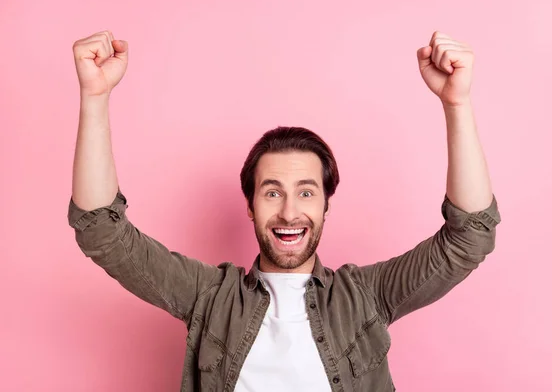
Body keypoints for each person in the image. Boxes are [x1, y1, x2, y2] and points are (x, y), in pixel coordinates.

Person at [69, 29, 501, 392]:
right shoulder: (208, 296)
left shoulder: (367, 297)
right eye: (272, 193)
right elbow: (101, 232)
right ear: (250, 205)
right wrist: (94, 95)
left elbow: (471, 236)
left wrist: (456, 103)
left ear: (327, 205)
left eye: (307, 193)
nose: (290, 211)